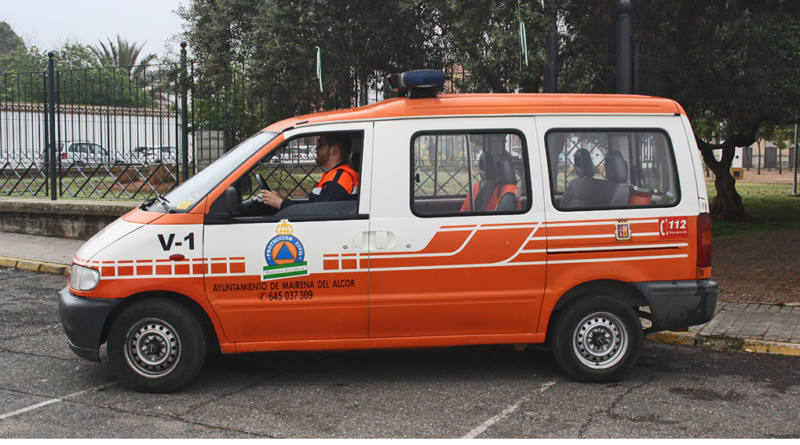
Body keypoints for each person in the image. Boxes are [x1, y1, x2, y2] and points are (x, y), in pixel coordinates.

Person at [260, 134, 359, 210]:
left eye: (320, 144)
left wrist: (281, 204)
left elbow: (319, 213)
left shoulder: (340, 180)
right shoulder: (335, 176)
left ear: (334, 150)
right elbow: (314, 205)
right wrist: (283, 200)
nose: (316, 148)